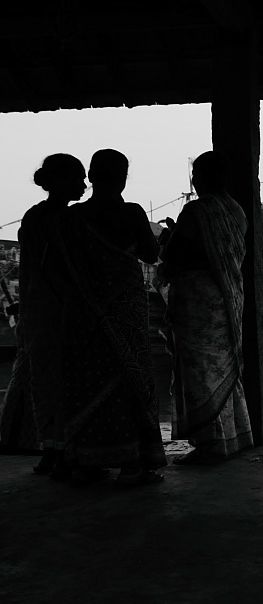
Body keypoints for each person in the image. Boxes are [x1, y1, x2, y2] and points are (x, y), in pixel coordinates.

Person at [54, 148, 167, 487]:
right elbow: (151, 254)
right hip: (125, 313)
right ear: (123, 178)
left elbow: (55, 267)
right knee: (131, 382)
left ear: (89, 177)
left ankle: (87, 461)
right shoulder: (131, 213)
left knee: (85, 383)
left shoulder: (71, 218)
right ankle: (133, 465)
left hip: (82, 314)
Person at [157, 150, 253, 464]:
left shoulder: (196, 212)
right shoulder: (236, 211)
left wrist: (167, 238)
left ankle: (211, 446)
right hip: (226, 297)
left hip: (197, 301)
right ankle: (234, 436)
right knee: (224, 369)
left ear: (200, 178)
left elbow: (173, 256)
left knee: (200, 372)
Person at [0, 154, 86, 471]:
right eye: (78, 179)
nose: (84, 185)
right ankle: (61, 452)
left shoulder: (35, 217)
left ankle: (50, 450)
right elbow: (57, 269)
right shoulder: (64, 219)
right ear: (60, 182)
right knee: (65, 384)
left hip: (39, 311)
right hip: (58, 310)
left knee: (43, 382)